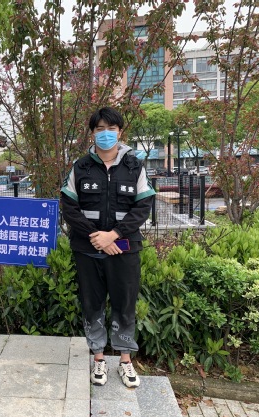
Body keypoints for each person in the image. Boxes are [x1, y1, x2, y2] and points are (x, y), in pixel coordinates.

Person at [60, 107, 155, 388]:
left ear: (120, 132)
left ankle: (125, 360)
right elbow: (69, 207)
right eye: (100, 129)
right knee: (92, 303)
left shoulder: (135, 166)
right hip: (87, 248)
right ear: (92, 133)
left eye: (111, 129)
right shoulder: (80, 167)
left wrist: (113, 235)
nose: (105, 134)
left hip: (124, 247)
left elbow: (143, 207)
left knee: (125, 303)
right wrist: (97, 237)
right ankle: (98, 358)